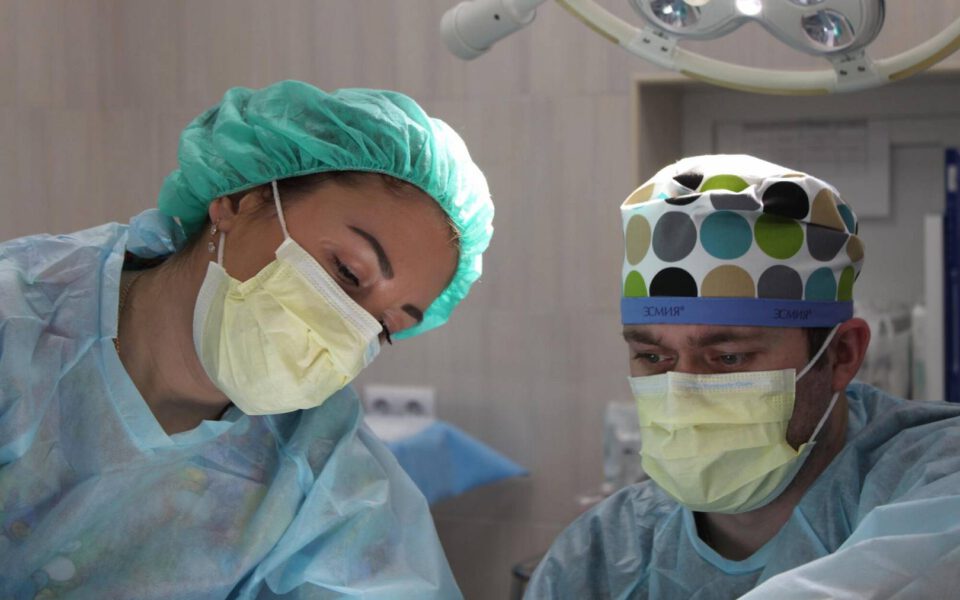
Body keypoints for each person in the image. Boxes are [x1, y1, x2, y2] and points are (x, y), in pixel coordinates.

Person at [0, 80, 493, 599]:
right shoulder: (18, 326)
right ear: (239, 201)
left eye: (386, 326)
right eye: (347, 271)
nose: (348, 326)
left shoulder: (319, 468)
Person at [526, 154, 960, 598]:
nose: (684, 393)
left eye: (728, 358)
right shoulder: (605, 553)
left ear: (841, 355)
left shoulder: (937, 478)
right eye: (654, 358)